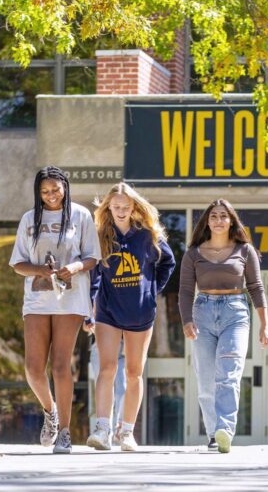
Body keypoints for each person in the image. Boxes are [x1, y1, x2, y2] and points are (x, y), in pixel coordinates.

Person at [9, 166, 101, 453]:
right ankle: (51, 413)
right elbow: (17, 263)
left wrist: (72, 267)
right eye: (45, 191)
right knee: (34, 368)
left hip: (71, 297)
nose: (51, 196)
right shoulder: (29, 219)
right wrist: (40, 270)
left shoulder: (81, 215)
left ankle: (64, 433)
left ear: (65, 187)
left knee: (61, 364)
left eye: (55, 189)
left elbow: (92, 256)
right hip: (37, 298)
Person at [86, 183, 175, 451]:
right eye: (116, 207)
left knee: (134, 372)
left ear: (134, 207)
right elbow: (93, 274)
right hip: (107, 311)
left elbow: (168, 263)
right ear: (108, 208)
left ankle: (126, 433)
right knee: (107, 368)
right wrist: (90, 306)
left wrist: (151, 291)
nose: (121, 211)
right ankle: (102, 429)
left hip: (140, 311)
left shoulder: (147, 236)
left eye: (126, 207)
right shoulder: (101, 235)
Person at [179, 199, 268, 453]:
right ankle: (213, 433)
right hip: (203, 312)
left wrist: (265, 324)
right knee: (207, 378)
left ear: (231, 220)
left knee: (229, 374)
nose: (218, 220)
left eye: (223, 216)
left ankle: (225, 430)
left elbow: (256, 287)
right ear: (207, 222)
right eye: (213, 216)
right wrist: (187, 320)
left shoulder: (245, 250)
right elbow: (186, 291)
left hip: (236, 313)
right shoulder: (193, 253)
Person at [88, 331, 126, 443]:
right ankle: (104, 430)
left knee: (122, 389)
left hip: (122, 348)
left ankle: (119, 427)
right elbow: (86, 327)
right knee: (104, 389)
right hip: (100, 347)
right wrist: (91, 326)